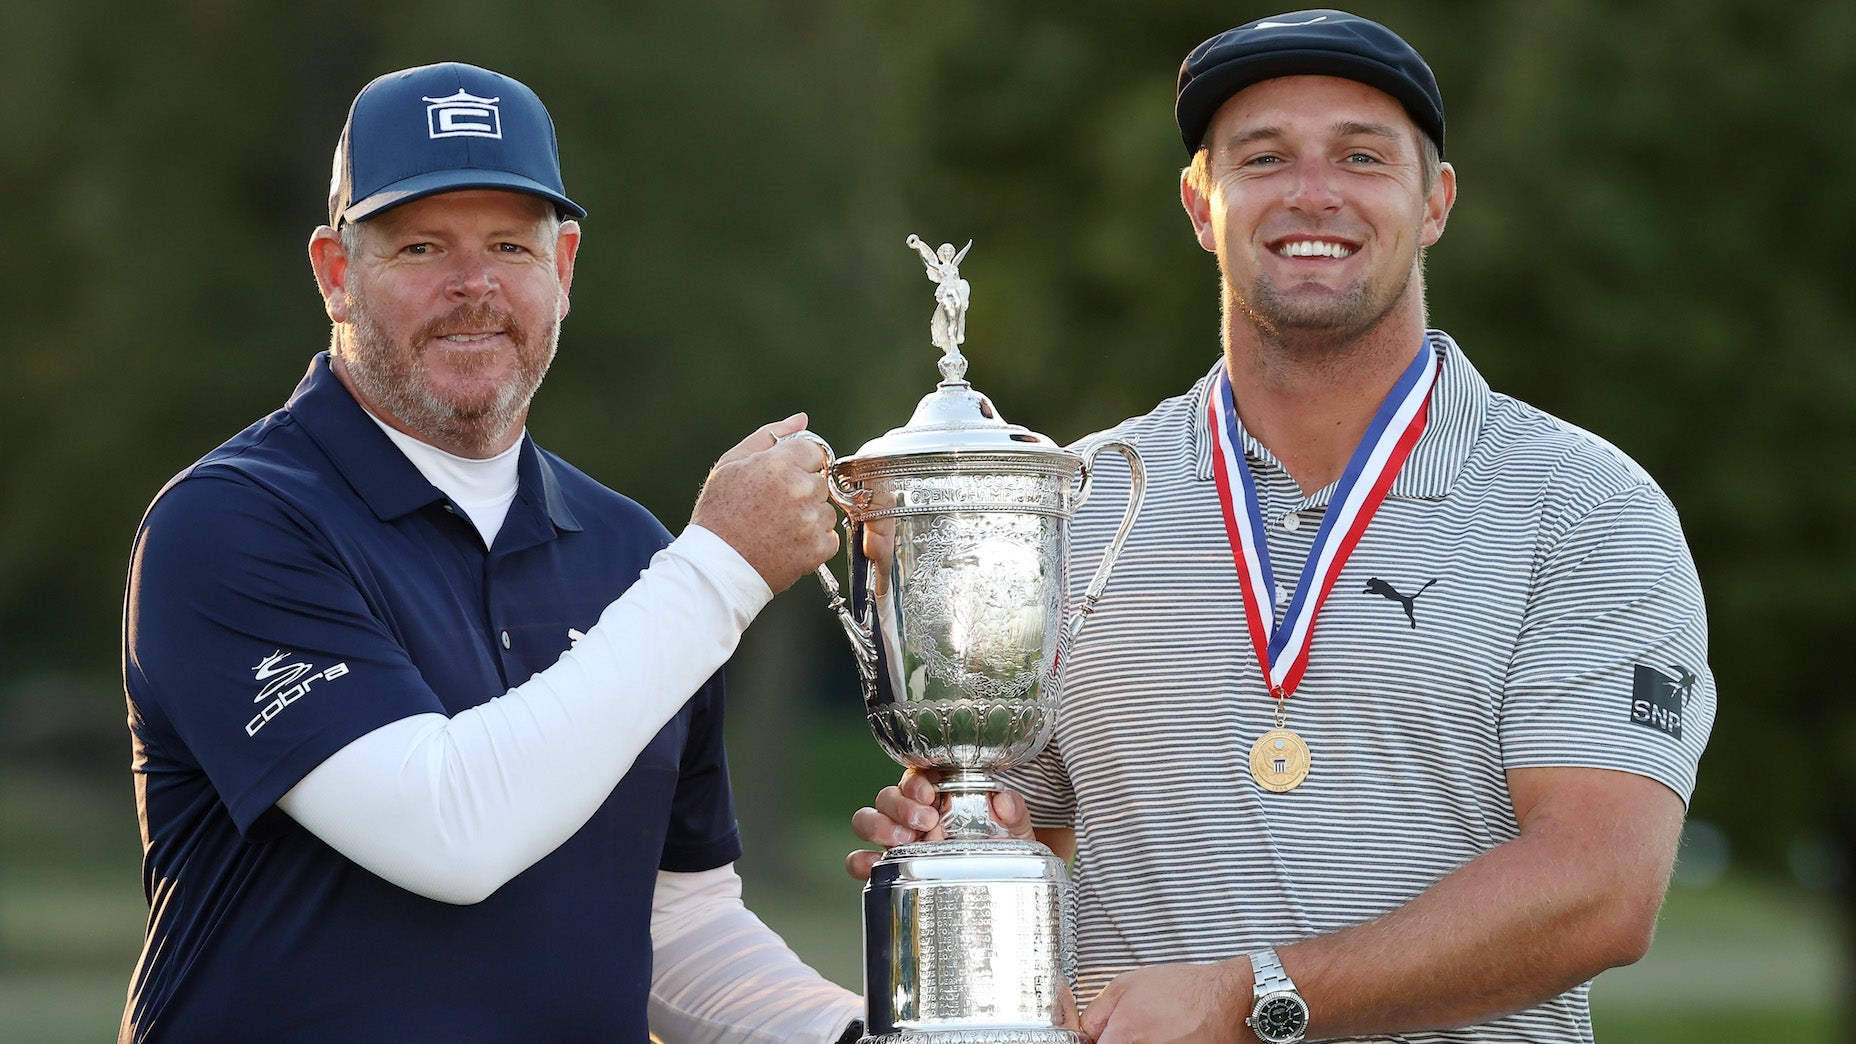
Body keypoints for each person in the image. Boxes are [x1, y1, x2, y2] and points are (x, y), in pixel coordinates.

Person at [849, 11, 1714, 1043]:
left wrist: (1250, 996)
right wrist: (957, 830)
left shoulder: (1583, 508)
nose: (1313, 193)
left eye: (1360, 155)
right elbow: (1022, 821)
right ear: (1199, 205)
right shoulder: (1071, 500)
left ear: (1432, 201)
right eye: (1263, 159)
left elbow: (1599, 887)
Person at [121, 62, 863, 1042]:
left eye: (509, 244)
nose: (472, 287)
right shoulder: (230, 524)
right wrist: (721, 569)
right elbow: (449, 830)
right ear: (336, 274)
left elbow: (670, 925)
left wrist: (863, 1036)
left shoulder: (628, 552)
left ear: (562, 270)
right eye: (422, 245)